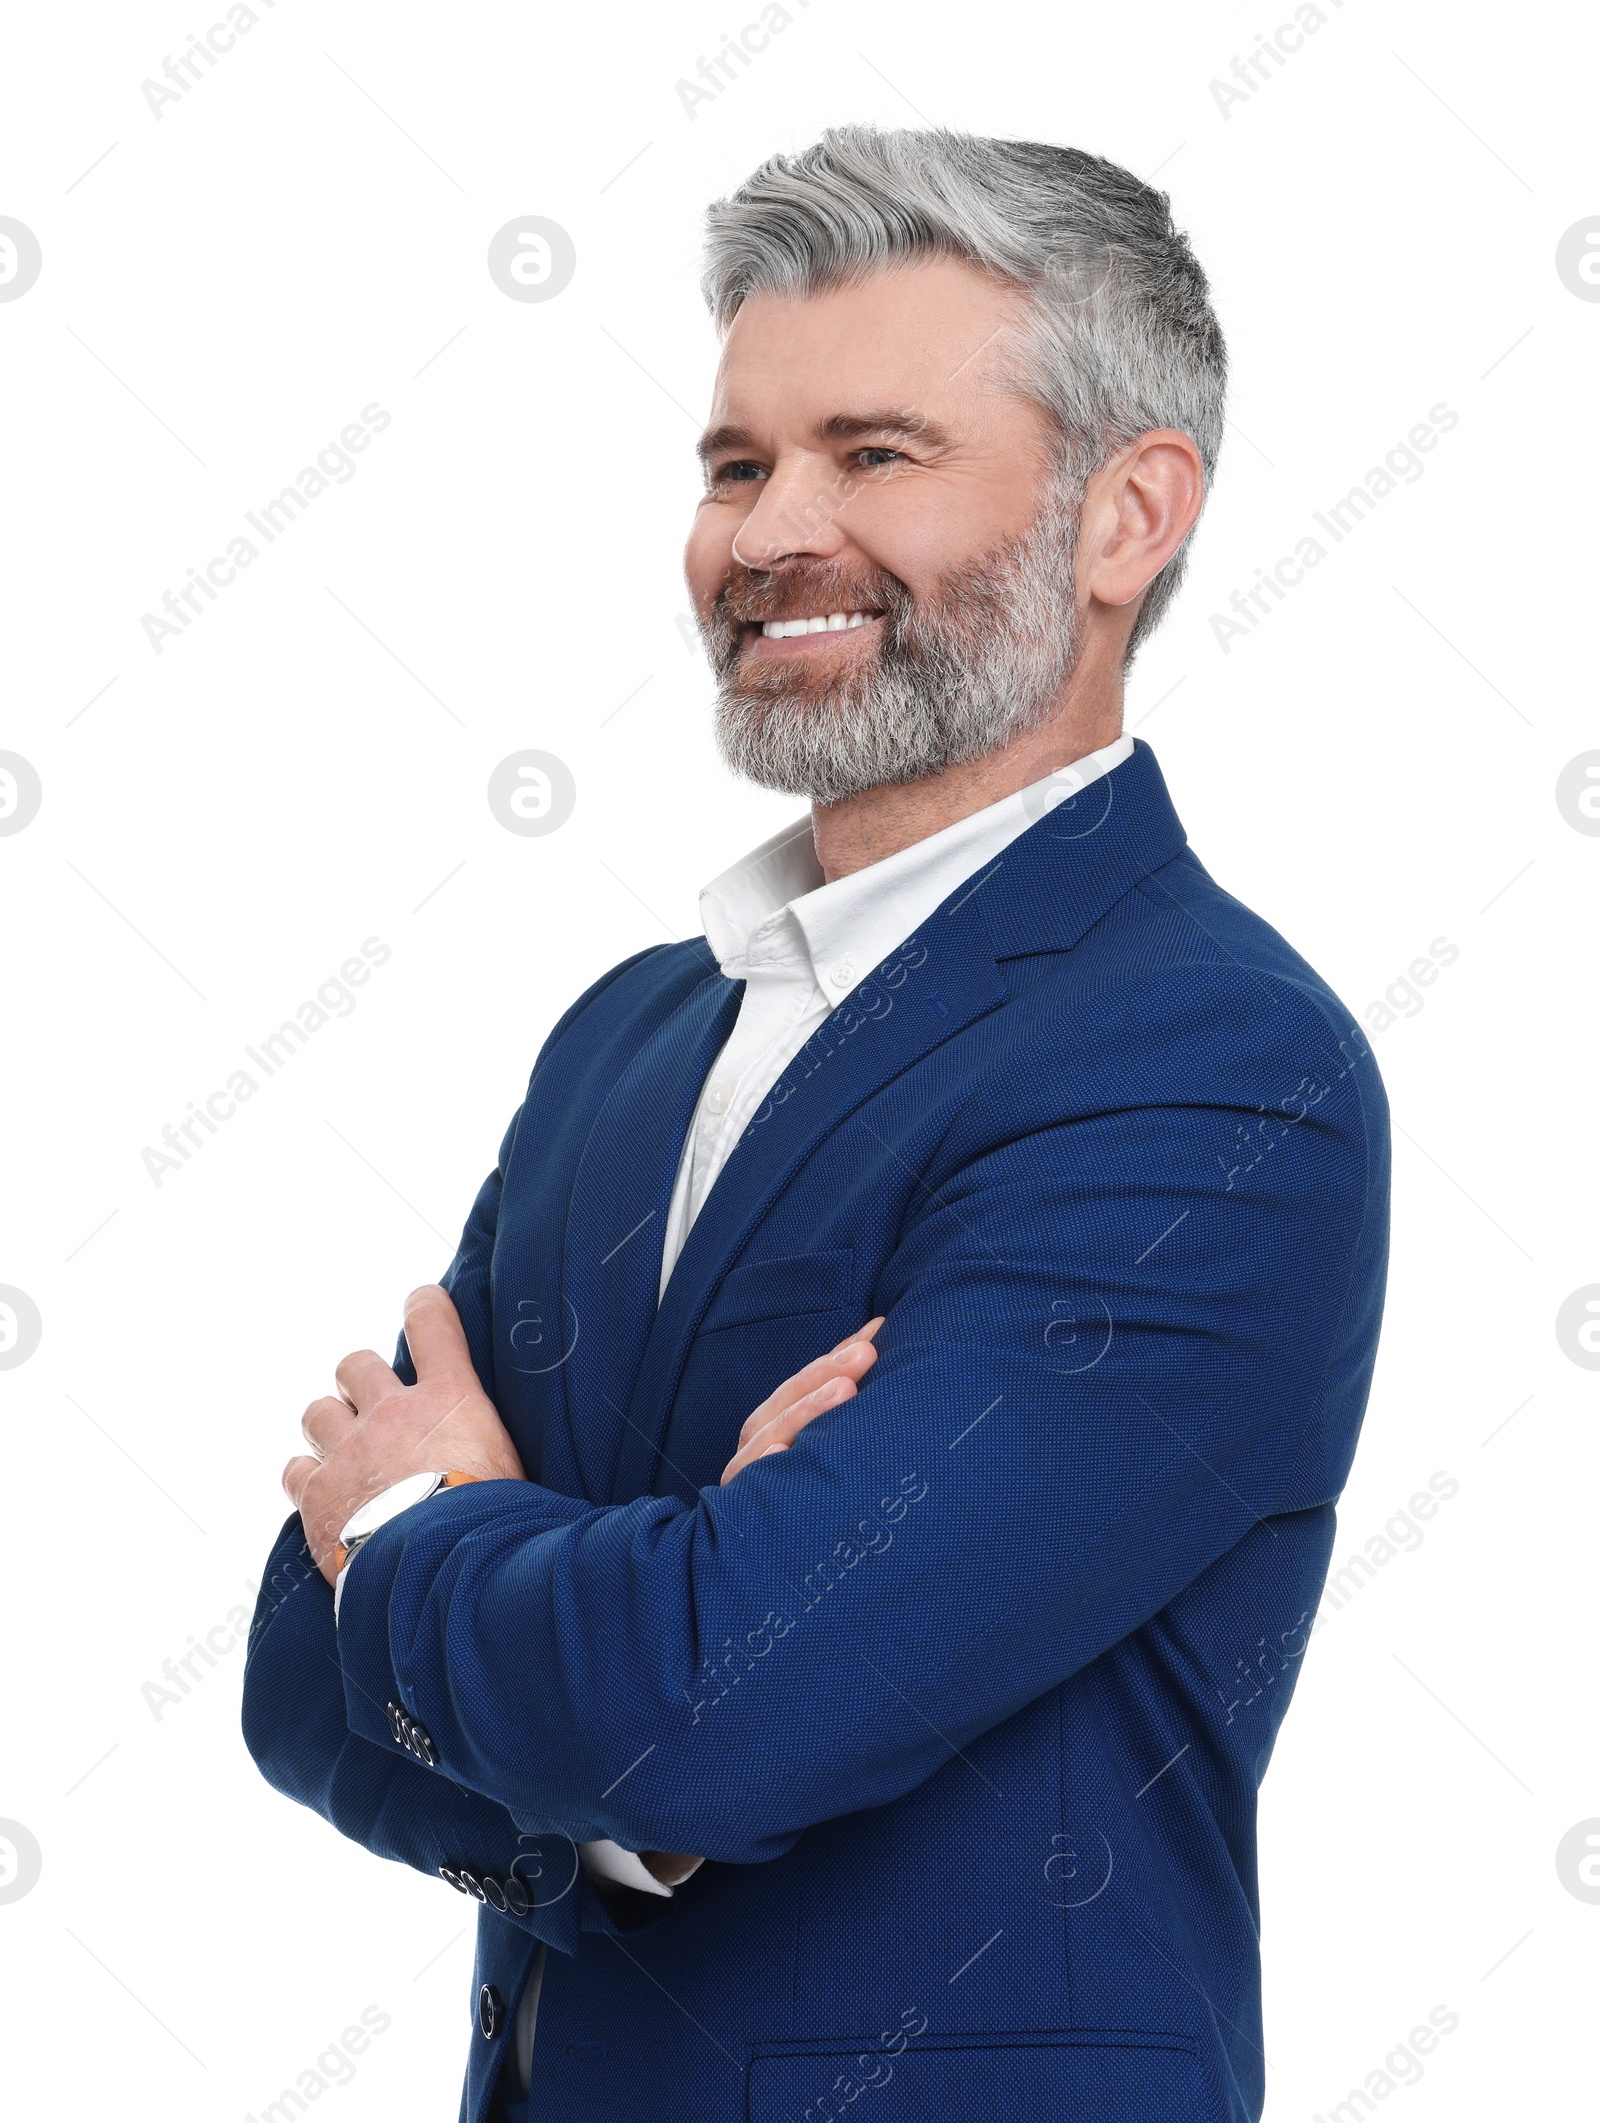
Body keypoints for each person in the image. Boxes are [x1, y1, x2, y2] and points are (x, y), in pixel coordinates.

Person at [244, 124, 1389, 2123]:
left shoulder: (1210, 1070)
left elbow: (710, 1695)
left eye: (872, 455)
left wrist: (449, 1534)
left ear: (1127, 517)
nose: (772, 530)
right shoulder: (631, 1033)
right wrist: (629, 1700)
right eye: (732, 462)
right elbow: (294, 1676)